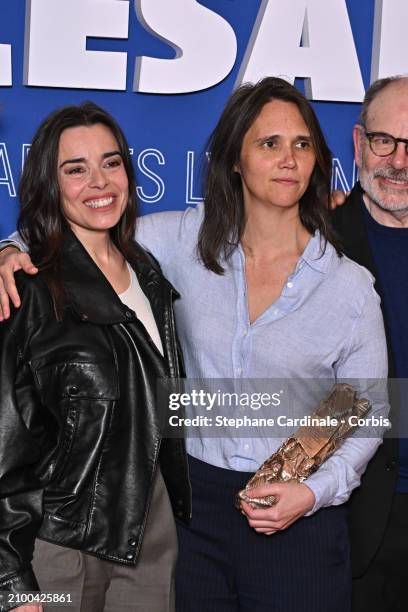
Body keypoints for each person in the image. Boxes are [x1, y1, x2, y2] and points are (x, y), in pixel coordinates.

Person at [0, 79, 388, 612]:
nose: (288, 160)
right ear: (234, 158)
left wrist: (315, 491)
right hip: (191, 517)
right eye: (268, 143)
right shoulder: (181, 240)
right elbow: (83, 224)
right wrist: (11, 250)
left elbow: (369, 409)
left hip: (300, 518)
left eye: (301, 144)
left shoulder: (348, 287)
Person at [0, 102, 190, 612]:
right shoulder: (27, 287)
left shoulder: (148, 272)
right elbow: (5, 441)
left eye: (111, 162)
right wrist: (11, 583)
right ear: (50, 184)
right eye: (75, 169)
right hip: (61, 540)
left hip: (149, 530)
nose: (99, 182)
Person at [332, 75, 408, 612]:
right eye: (385, 142)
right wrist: (15, 247)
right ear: (359, 143)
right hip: (351, 518)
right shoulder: (312, 237)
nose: (399, 163)